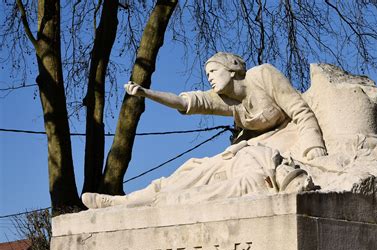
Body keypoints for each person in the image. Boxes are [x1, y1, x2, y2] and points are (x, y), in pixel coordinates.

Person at [81, 52, 326, 209]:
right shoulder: (226, 99)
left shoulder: (262, 75)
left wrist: (315, 147)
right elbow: (187, 102)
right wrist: (146, 93)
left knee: (205, 175)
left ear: (232, 68)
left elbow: (300, 111)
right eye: (206, 74)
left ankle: (144, 201)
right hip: (245, 151)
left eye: (213, 71)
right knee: (193, 169)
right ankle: (124, 202)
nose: (209, 77)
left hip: (281, 144)